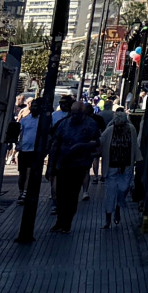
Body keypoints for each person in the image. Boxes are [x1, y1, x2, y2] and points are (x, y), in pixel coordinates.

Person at [49, 95, 104, 233]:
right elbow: (55, 143)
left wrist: (82, 146)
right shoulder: (64, 123)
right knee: (60, 194)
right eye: (72, 113)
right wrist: (51, 166)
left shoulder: (90, 124)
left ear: (83, 113)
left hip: (79, 164)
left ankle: (66, 222)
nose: (74, 116)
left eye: (77, 114)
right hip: (63, 163)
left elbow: (97, 143)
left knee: (72, 195)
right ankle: (59, 221)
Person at [14, 97, 51, 245]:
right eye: (33, 105)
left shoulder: (44, 121)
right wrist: (18, 145)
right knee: (22, 173)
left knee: (30, 172)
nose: (34, 108)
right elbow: (20, 134)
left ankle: (25, 193)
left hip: (35, 151)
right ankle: (21, 191)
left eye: (36, 106)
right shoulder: (25, 120)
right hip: (24, 150)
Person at [101, 108, 137, 228]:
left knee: (120, 189)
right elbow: (101, 141)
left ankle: (116, 208)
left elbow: (135, 145)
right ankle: (109, 217)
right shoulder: (112, 129)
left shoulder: (130, 129)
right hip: (115, 166)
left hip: (123, 166)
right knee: (112, 192)